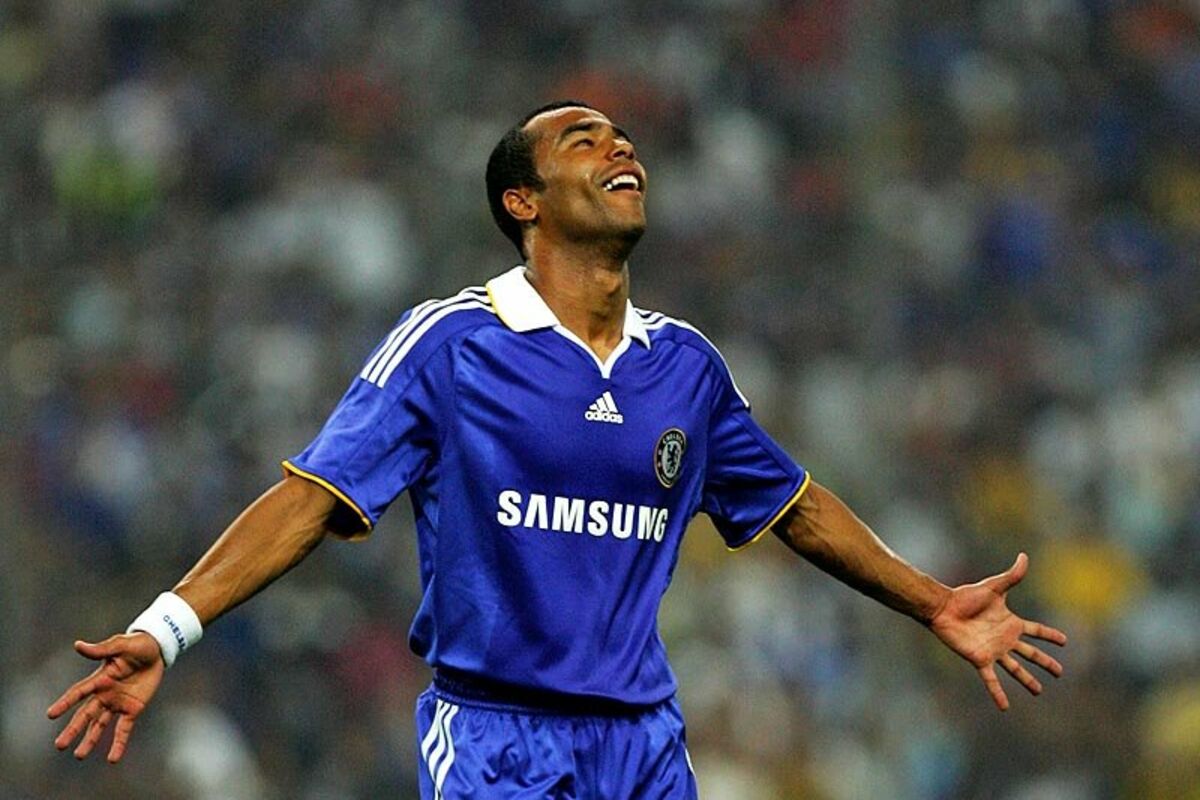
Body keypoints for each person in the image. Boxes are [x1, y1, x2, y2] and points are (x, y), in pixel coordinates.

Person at [49, 101, 1067, 798]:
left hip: (643, 742)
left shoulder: (686, 366)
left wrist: (934, 602)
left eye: (624, 139)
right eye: (585, 141)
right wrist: (166, 629)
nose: (621, 150)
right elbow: (312, 496)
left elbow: (793, 505)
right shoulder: (452, 344)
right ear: (523, 202)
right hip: (497, 739)